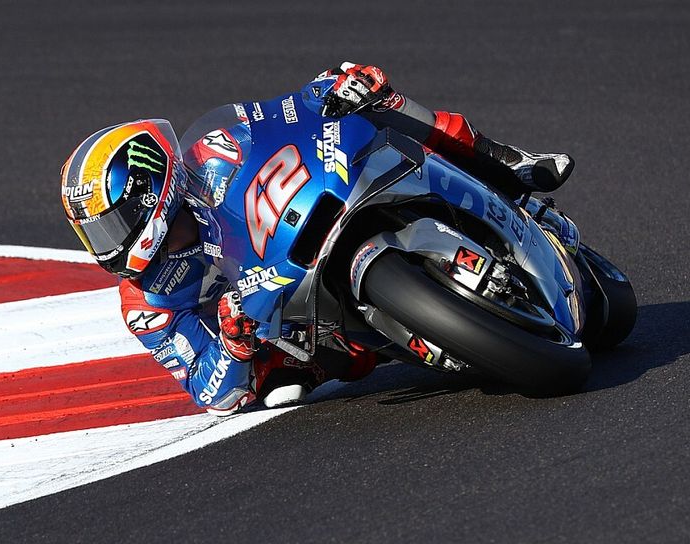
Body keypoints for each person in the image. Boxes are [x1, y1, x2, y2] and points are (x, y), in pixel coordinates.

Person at [59, 62, 575, 414]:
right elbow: (208, 391)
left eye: (108, 222)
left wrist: (328, 87)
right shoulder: (145, 302)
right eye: (92, 231)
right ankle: (419, 327)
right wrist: (235, 346)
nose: (108, 242)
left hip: (306, 216)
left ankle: (509, 167)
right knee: (281, 388)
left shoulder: (212, 153)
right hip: (292, 328)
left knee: (373, 97)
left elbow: (281, 113)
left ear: (148, 187)